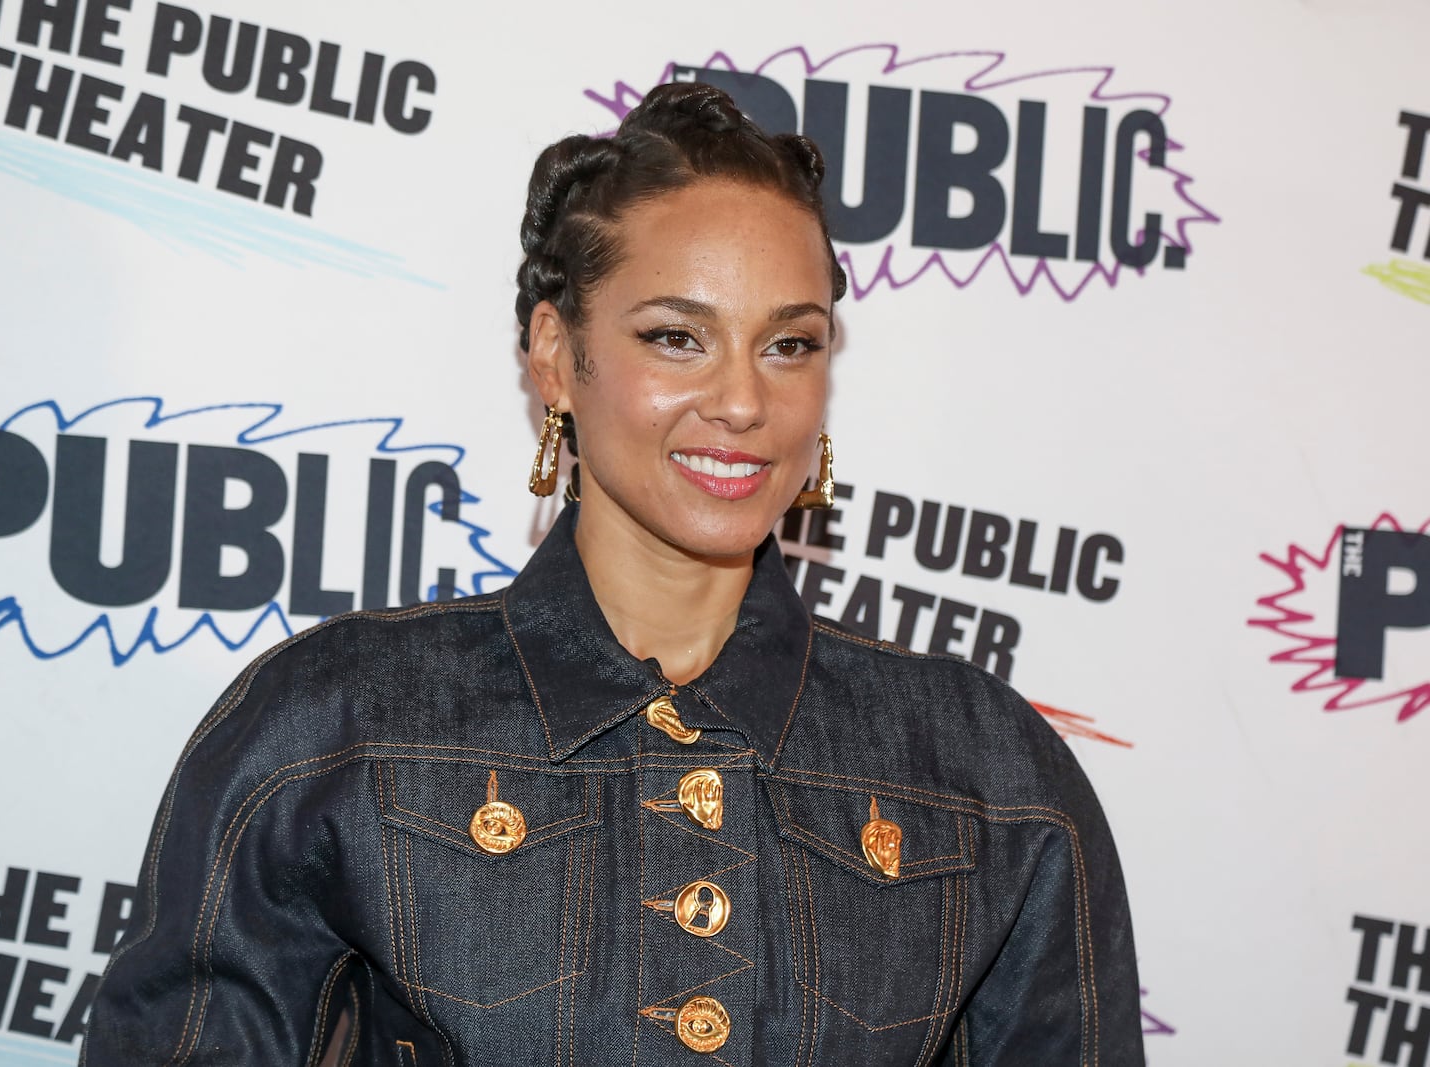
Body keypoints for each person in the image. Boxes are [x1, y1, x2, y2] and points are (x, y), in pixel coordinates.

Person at [82, 82, 1143, 1065]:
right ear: (553, 353)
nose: (741, 401)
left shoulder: (991, 774)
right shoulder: (329, 727)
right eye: (676, 336)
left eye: (790, 344)